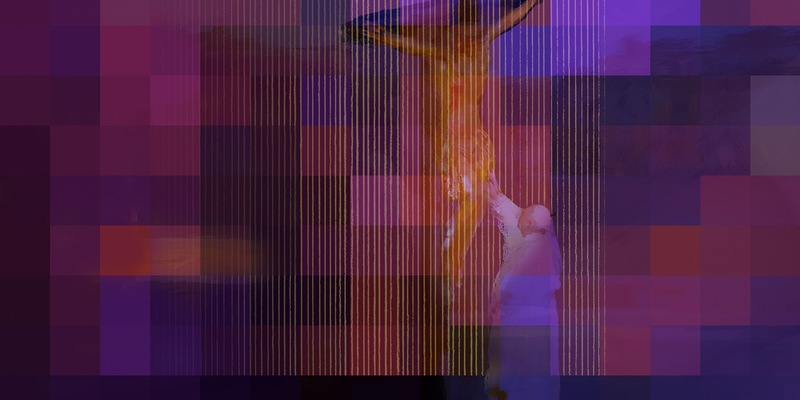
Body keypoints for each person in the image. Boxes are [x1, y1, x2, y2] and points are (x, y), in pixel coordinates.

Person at [341, 0, 545, 284]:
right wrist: (383, 37)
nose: (469, 38)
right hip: (457, 143)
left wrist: (531, 3)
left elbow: (507, 20)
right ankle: (452, 261)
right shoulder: (448, 50)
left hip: (475, 141)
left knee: (479, 200)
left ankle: (454, 259)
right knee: (473, 199)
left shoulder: (478, 41)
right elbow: (414, 46)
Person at [484, 173, 561, 399]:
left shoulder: (535, 250)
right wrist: (497, 198)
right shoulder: (538, 235)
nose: (519, 215)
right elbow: (518, 216)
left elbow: (510, 288)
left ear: (528, 224)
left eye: (523, 214)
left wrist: (496, 303)